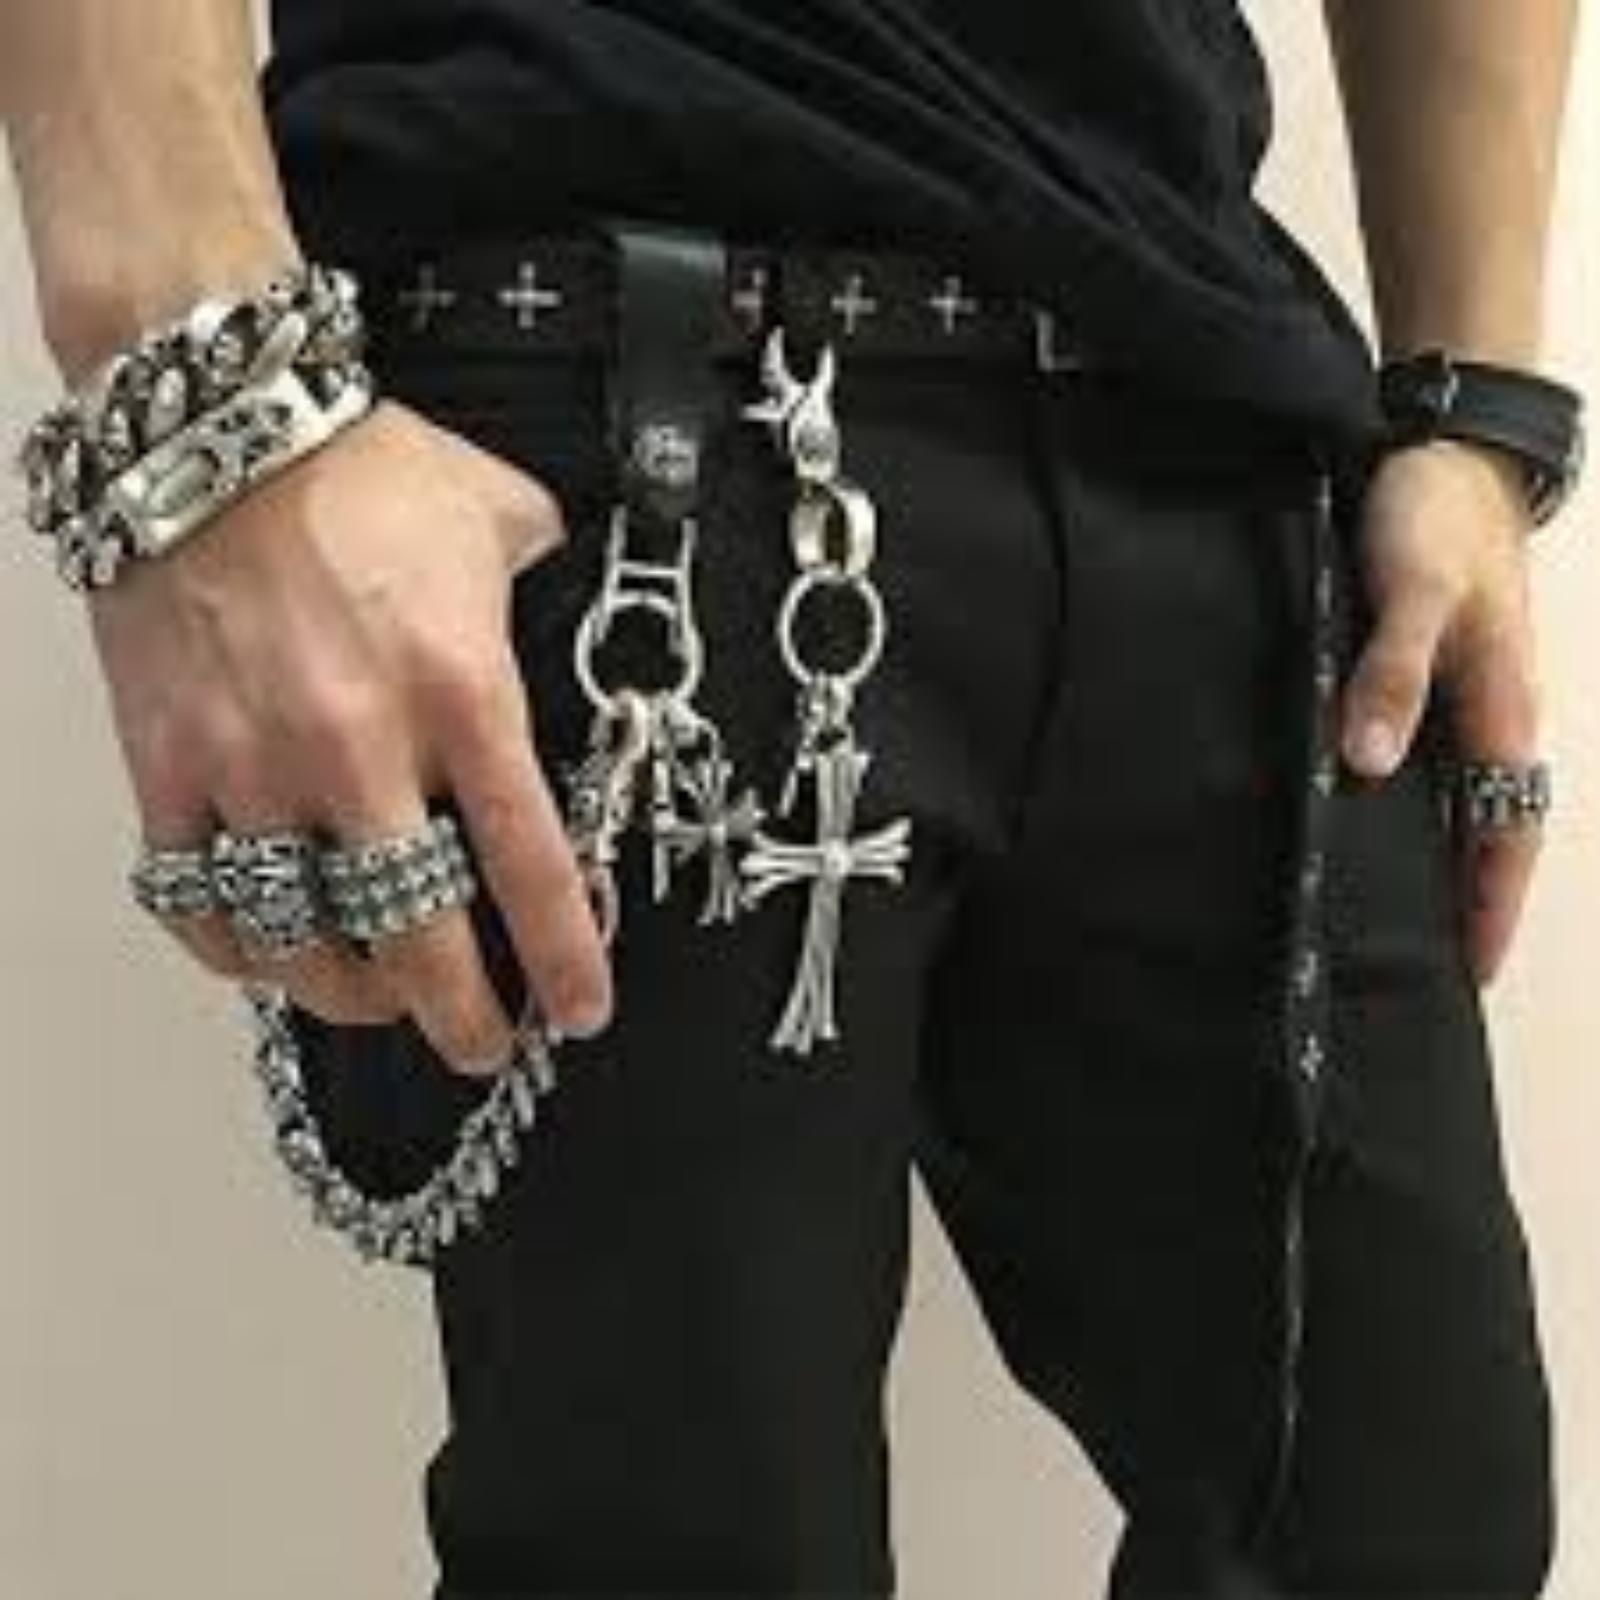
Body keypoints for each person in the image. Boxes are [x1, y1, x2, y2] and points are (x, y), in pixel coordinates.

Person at [2, 2, 1583, 1597]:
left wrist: (1479, 403)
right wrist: (195, 386)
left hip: (1205, 413)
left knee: (1408, 1524)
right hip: (621, 413)